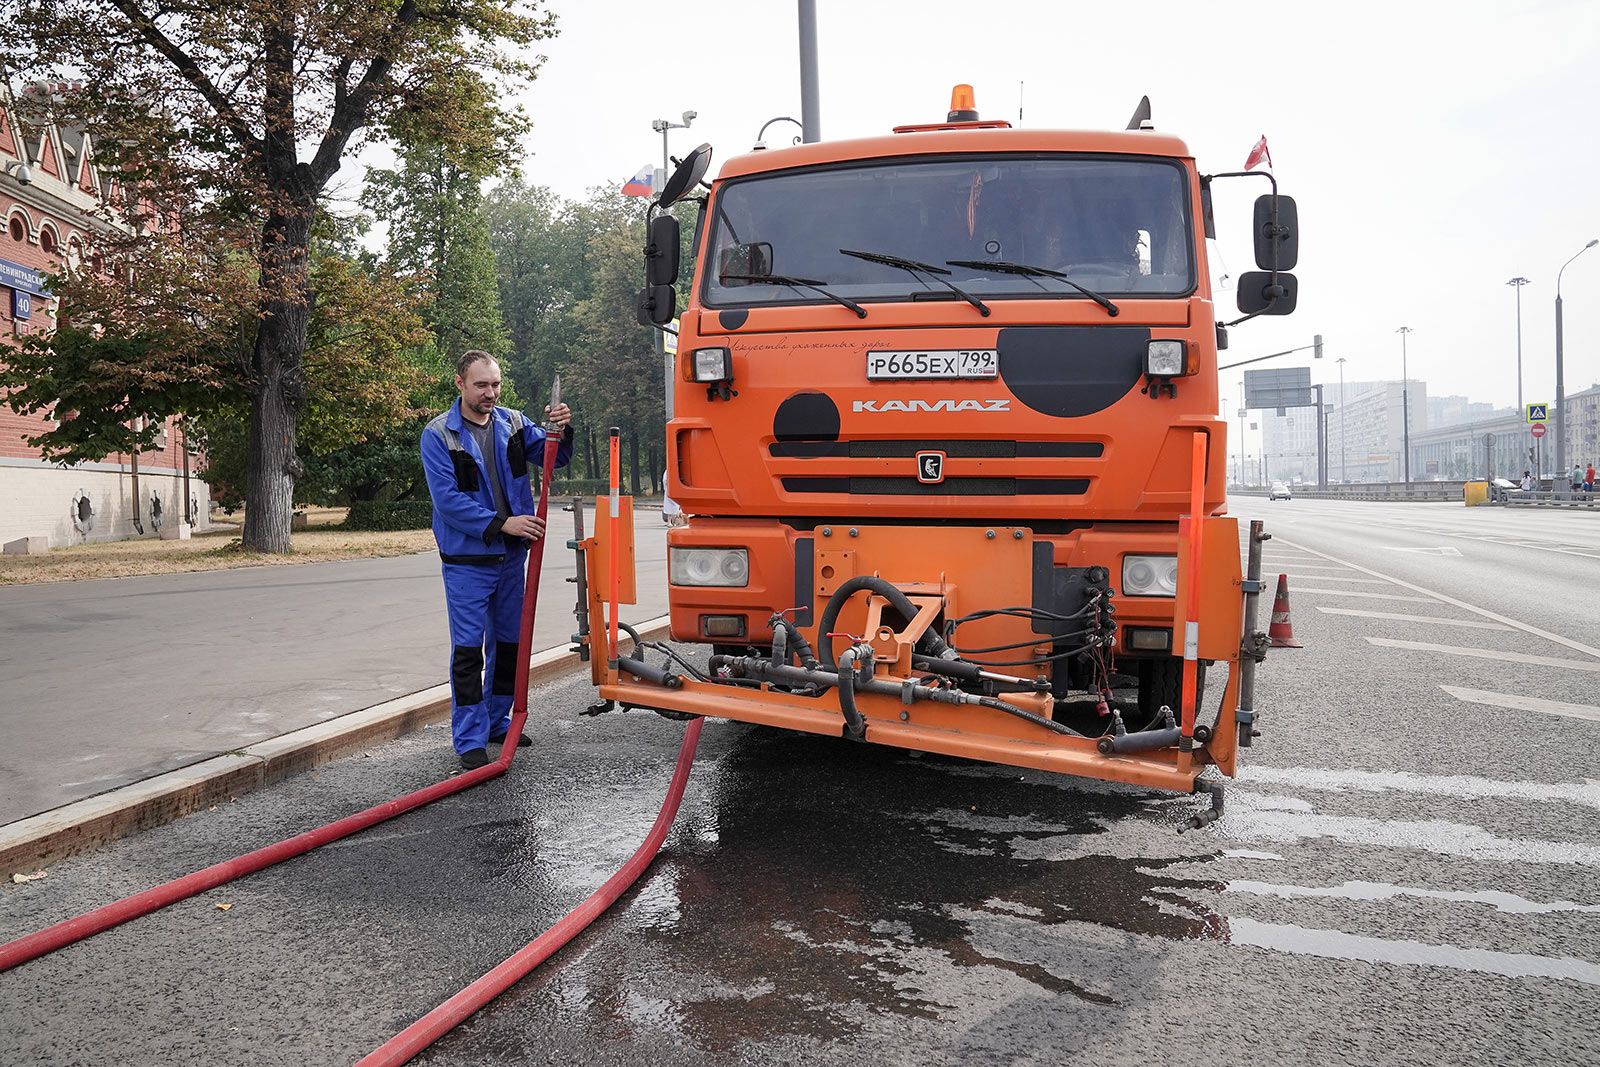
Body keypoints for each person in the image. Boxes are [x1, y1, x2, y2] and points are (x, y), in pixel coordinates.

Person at [421, 351, 573, 769]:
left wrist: (561, 427)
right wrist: (503, 524)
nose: (490, 393)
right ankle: (469, 737)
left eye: (495, 384)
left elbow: (554, 456)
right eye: (481, 385)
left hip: (510, 559)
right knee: (470, 652)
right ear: (460, 384)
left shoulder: (515, 423)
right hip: (468, 561)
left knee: (509, 644)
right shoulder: (438, 435)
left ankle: (496, 722)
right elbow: (448, 503)